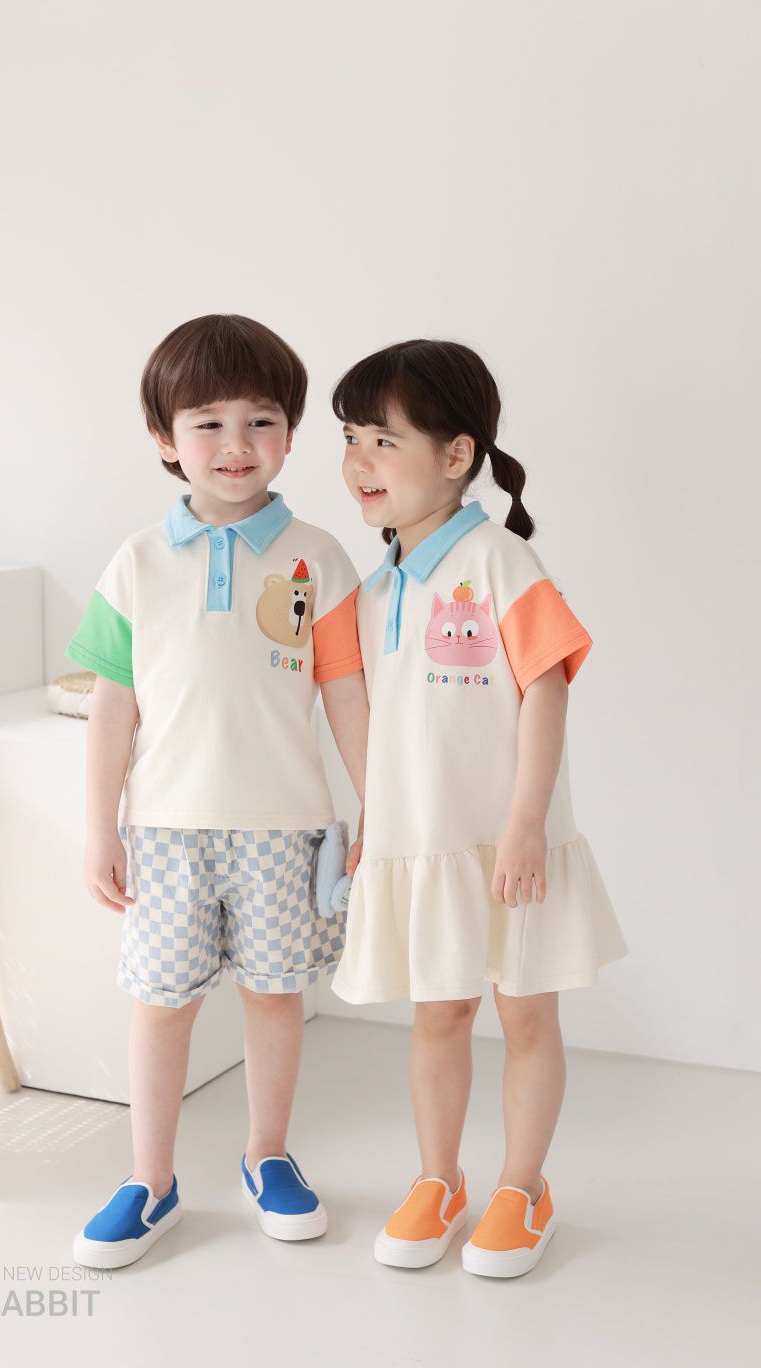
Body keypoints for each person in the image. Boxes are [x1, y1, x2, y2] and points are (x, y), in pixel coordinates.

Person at [66, 314, 369, 1268]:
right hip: (164, 832)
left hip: (286, 826)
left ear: (290, 434)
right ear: (166, 439)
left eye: (261, 420)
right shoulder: (137, 562)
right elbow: (112, 709)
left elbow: (347, 694)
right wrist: (99, 829)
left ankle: (267, 1156)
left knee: (275, 999)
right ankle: (149, 1180)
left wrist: (380, 810)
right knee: (162, 1005)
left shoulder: (320, 555)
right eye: (208, 423)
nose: (237, 444)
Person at [331, 338, 627, 1278]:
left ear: (456, 454)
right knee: (441, 1015)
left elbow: (547, 687)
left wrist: (527, 823)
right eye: (350, 438)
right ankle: (439, 1180)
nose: (359, 460)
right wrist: (375, 822)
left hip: (510, 848)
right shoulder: (373, 590)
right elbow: (380, 729)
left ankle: (522, 1188)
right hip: (425, 849)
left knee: (527, 1016)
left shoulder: (501, 560)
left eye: (383, 440)